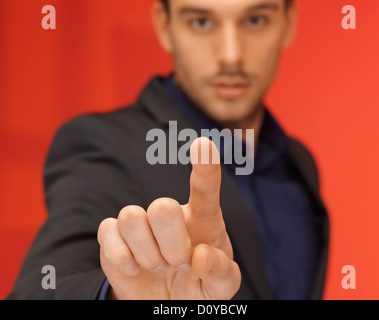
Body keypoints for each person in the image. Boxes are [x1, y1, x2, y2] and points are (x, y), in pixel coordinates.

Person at [7, 0, 329, 300]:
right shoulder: (103, 144)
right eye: (201, 22)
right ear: (165, 26)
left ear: (288, 23)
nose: (231, 55)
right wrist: (120, 296)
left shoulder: (299, 164)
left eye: (255, 20)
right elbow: (37, 291)